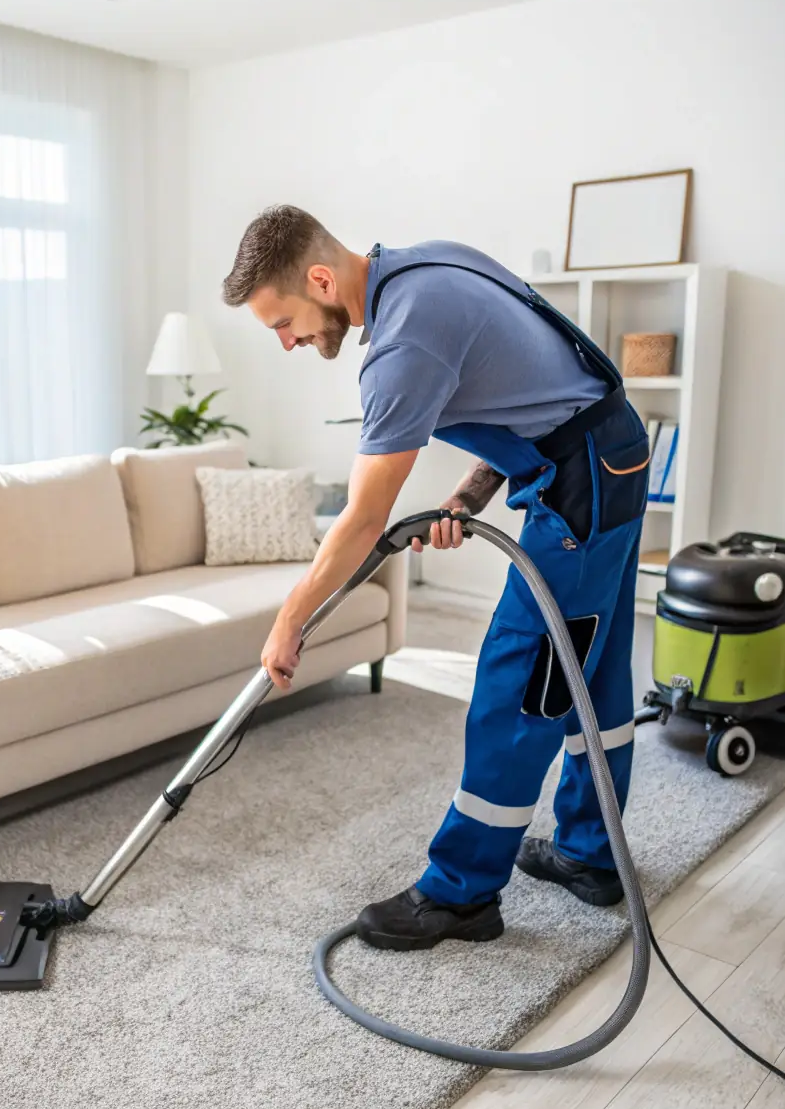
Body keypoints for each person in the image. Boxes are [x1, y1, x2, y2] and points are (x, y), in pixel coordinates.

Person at [222, 206, 649, 950]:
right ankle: (590, 851)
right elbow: (532, 397)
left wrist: (289, 621)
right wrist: (465, 500)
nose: (288, 342)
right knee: (592, 666)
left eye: (283, 323)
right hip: (611, 454)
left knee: (523, 680)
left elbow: (363, 518)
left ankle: (462, 893)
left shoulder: (400, 346)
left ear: (319, 280)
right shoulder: (426, 266)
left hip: (581, 486)